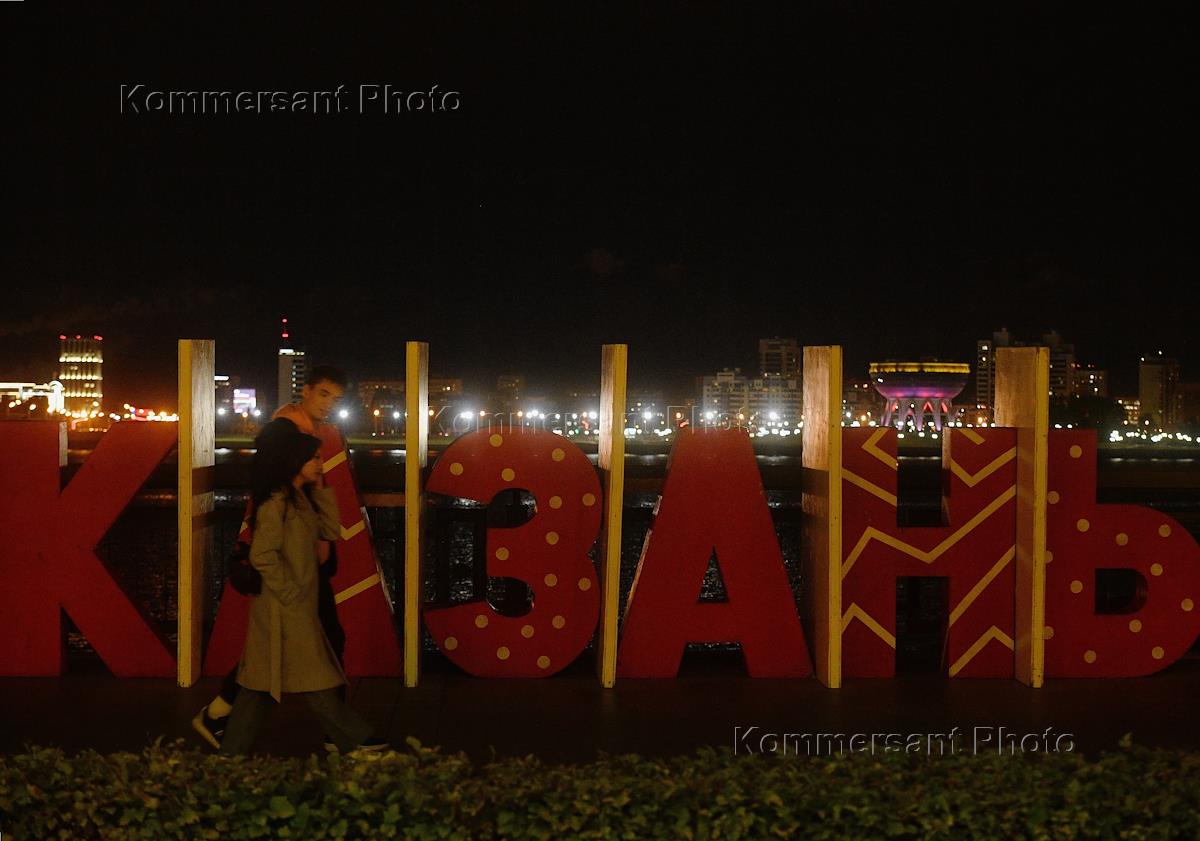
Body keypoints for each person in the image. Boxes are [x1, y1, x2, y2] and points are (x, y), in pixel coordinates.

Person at [193, 365, 354, 750]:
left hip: (298, 551)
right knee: (325, 638)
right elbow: (271, 488)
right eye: (324, 395)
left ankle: (219, 716)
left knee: (276, 649)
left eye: (335, 399)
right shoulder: (285, 431)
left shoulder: (301, 429)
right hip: (290, 555)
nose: (329, 405)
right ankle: (340, 735)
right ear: (306, 391)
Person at [218, 425, 384, 755]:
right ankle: (358, 740)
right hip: (284, 609)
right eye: (314, 458)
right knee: (317, 678)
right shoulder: (276, 503)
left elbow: (330, 531)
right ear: (294, 461)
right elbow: (262, 555)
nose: (320, 463)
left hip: (289, 606)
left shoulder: (298, 500)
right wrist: (291, 593)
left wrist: (320, 489)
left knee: (259, 686)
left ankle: (230, 754)